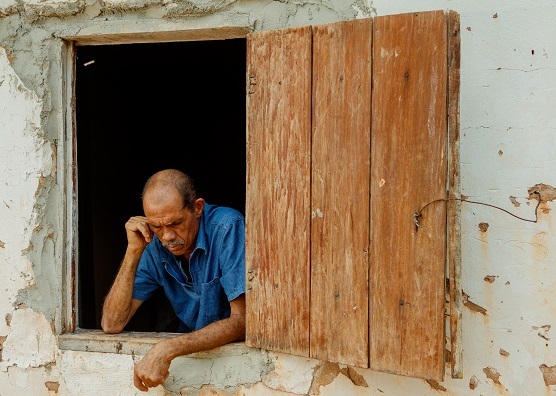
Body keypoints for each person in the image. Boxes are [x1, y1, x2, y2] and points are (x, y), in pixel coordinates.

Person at [101, 169, 246, 392]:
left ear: (197, 208)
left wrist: (167, 348)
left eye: (175, 223)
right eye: (157, 226)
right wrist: (133, 251)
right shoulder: (154, 245)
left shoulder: (226, 227)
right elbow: (112, 324)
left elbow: (243, 320)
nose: (167, 236)